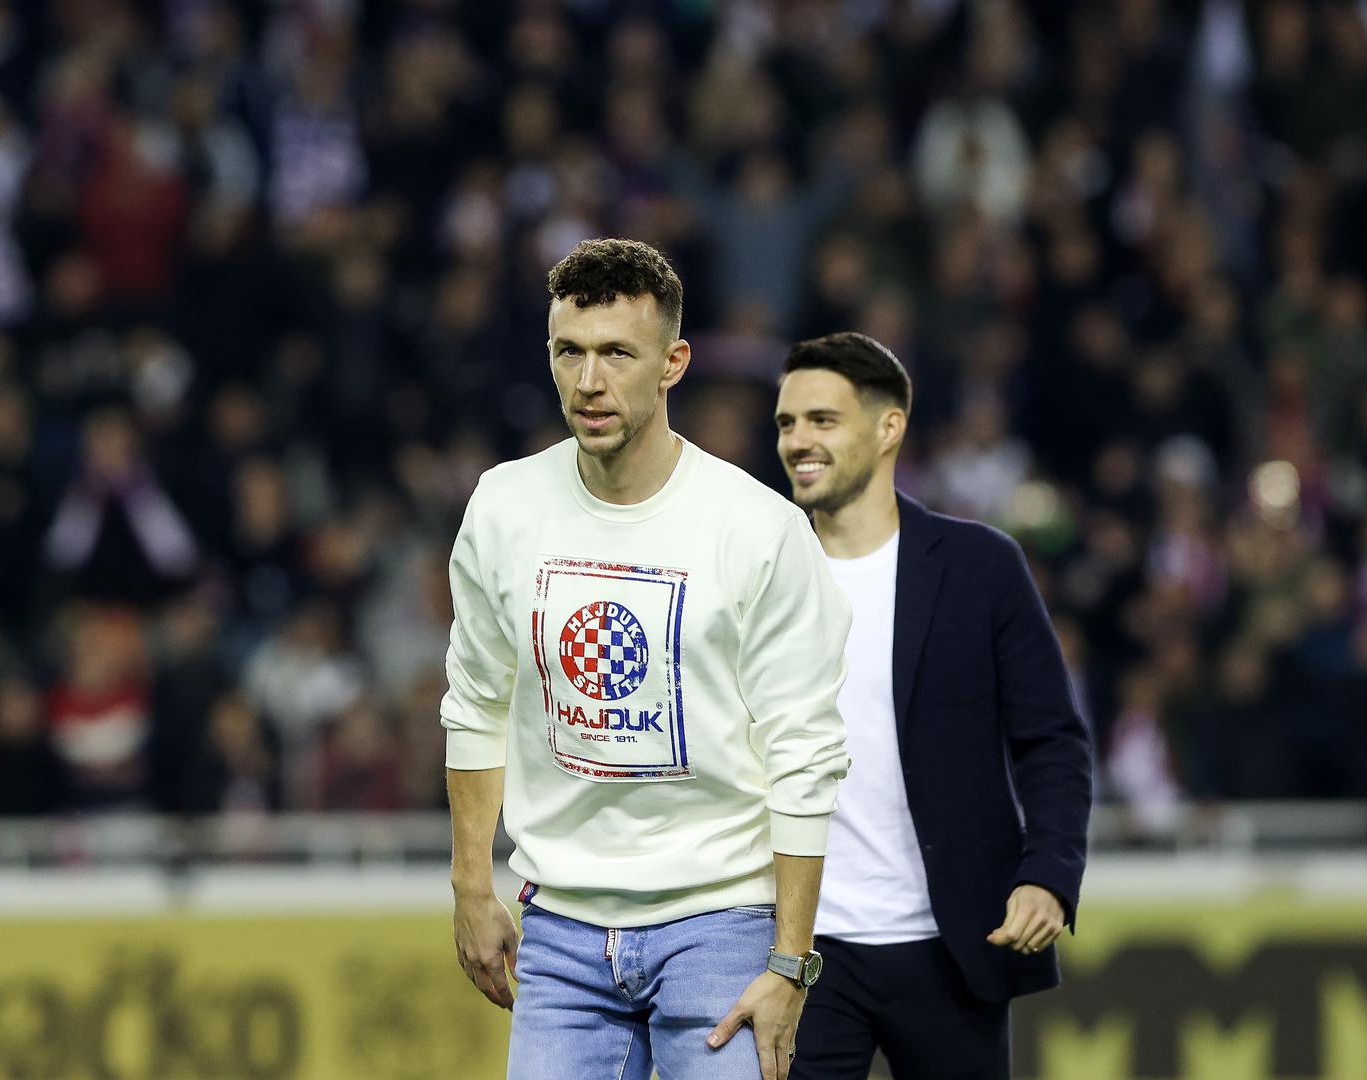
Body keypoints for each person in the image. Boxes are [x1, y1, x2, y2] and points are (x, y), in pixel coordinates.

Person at [443, 238, 852, 1080]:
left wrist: (789, 962)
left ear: (673, 363)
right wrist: (471, 887)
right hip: (559, 929)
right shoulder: (503, 506)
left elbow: (804, 755)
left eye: (617, 354)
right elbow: (475, 702)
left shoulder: (758, 530)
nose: (588, 381)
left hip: (721, 923)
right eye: (568, 352)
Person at [772, 332, 1093, 1079]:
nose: (797, 441)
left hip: (953, 946)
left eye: (822, 420)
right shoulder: (758, 569)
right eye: (786, 423)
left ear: (889, 427)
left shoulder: (982, 567)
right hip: (799, 947)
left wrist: (1047, 873)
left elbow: (1051, 741)